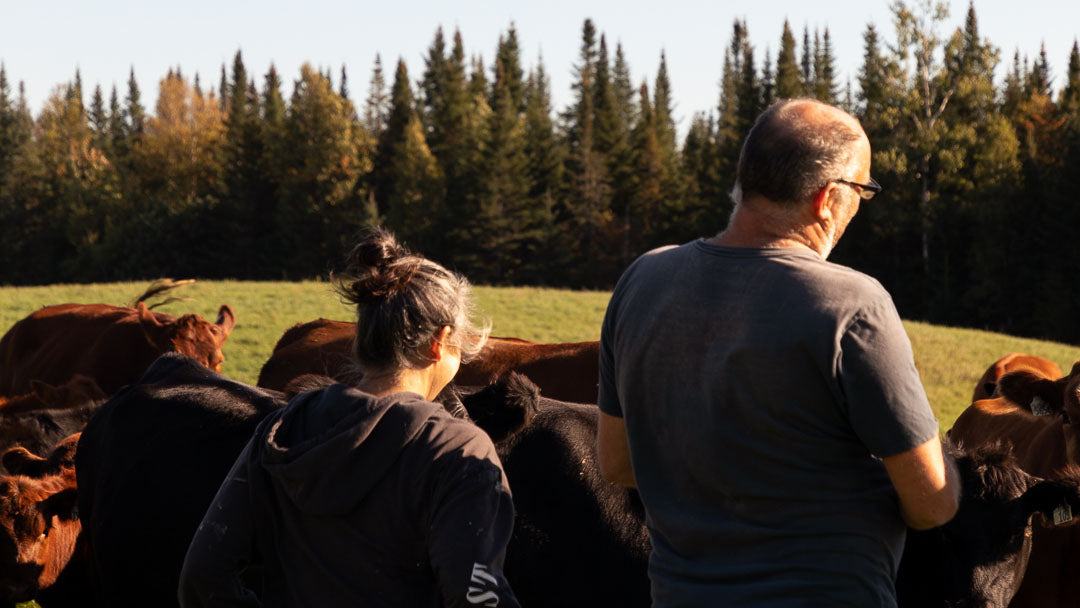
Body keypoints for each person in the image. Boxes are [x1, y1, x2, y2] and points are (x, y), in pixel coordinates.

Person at [596, 98, 961, 607]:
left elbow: (617, 464)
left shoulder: (642, 280)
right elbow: (931, 504)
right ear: (827, 198)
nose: (860, 204)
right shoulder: (852, 304)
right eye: (864, 190)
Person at [178, 228, 520, 608]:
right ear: (439, 342)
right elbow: (475, 598)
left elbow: (202, 575)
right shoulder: (458, 451)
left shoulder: (285, 427)